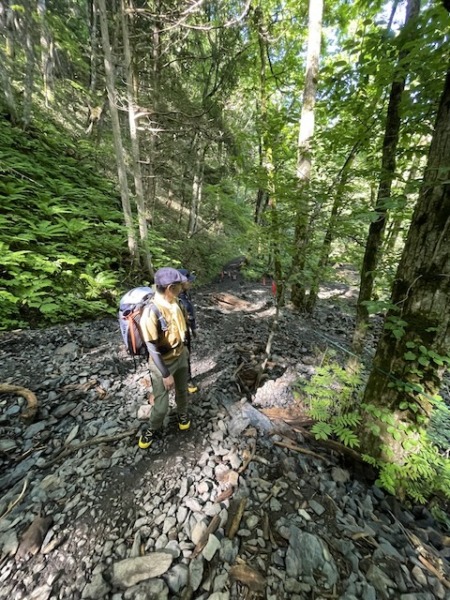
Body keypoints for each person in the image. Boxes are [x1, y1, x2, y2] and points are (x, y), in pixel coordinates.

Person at [138, 267, 191, 449]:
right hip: (163, 362)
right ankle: (153, 427)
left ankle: (182, 413)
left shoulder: (176, 302)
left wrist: (186, 352)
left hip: (180, 354)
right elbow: (151, 347)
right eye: (178, 285)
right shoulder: (151, 312)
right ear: (169, 288)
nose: (182, 287)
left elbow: (184, 329)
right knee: (161, 405)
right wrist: (165, 374)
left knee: (182, 391)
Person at [178, 268, 199, 394]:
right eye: (188, 281)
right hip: (181, 332)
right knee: (184, 355)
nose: (191, 283)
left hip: (183, 329)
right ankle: (187, 381)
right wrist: (193, 329)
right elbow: (189, 314)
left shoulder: (184, 294)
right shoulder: (179, 299)